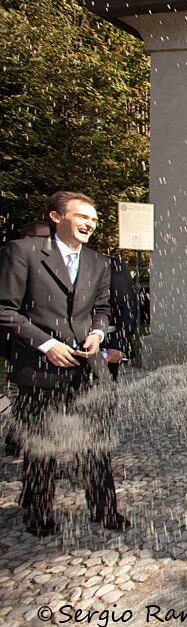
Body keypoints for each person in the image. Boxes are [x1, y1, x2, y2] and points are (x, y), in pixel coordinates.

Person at [0, 191, 127, 536]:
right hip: (40, 370)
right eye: (83, 217)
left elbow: (101, 310)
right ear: (57, 218)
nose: (90, 224)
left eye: (94, 219)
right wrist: (46, 344)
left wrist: (98, 335)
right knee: (42, 447)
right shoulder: (22, 253)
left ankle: (105, 510)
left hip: (87, 370)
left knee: (95, 445)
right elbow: (5, 310)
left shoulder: (99, 263)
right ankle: (39, 514)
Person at [3, 221, 57, 457]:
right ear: (25, 238)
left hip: (49, 348)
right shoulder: (12, 261)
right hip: (22, 342)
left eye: (48, 238)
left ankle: (28, 444)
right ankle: (27, 447)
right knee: (29, 397)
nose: (44, 243)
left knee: (38, 401)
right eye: (39, 237)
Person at [104, 257, 139, 382]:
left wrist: (119, 344)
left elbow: (127, 307)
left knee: (102, 393)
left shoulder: (111, 265)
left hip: (105, 345)